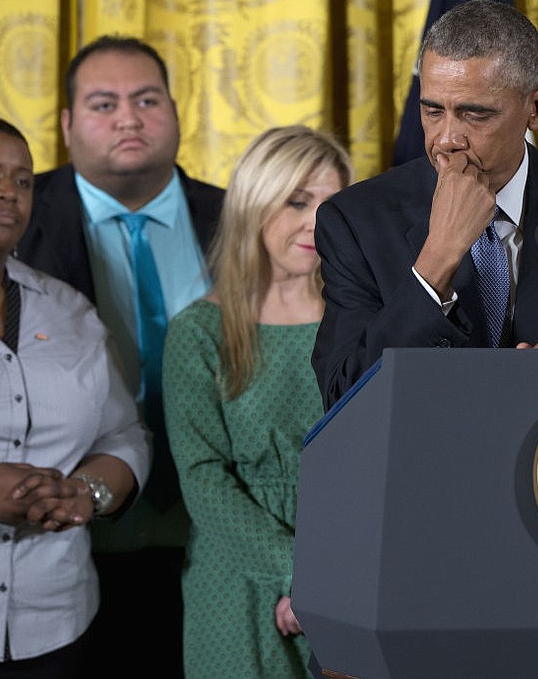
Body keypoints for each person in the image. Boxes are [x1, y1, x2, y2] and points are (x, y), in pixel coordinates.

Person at [312, 0, 538, 407]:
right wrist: (438, 257)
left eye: (474, 115)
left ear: (537, 108)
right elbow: (344, 397)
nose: (447, 138)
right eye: (433, 111)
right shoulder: (356, 221)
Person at [14, 35, 224, 677]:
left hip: (217, 534)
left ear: (177, 112)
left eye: (146, 99)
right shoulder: (15, 222)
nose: (129, 119)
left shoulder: (242, 220)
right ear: (68, 124)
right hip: (61, 535)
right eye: (104, 104)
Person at [0, 116, 150, 675]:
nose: (8, 192)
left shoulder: (69, 310)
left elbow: (124, 433)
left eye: (23, 181)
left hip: (59, 621)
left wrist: (86, 493)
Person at [163, 125, 351, 678]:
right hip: (237, 579)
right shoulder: (200, 332)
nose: (318, 221)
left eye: (331, 203)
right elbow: (202, 477)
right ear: (255, 202)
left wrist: (330, 580)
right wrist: (296, 573)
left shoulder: (358, 325)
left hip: (346, 570)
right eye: (297, 201)